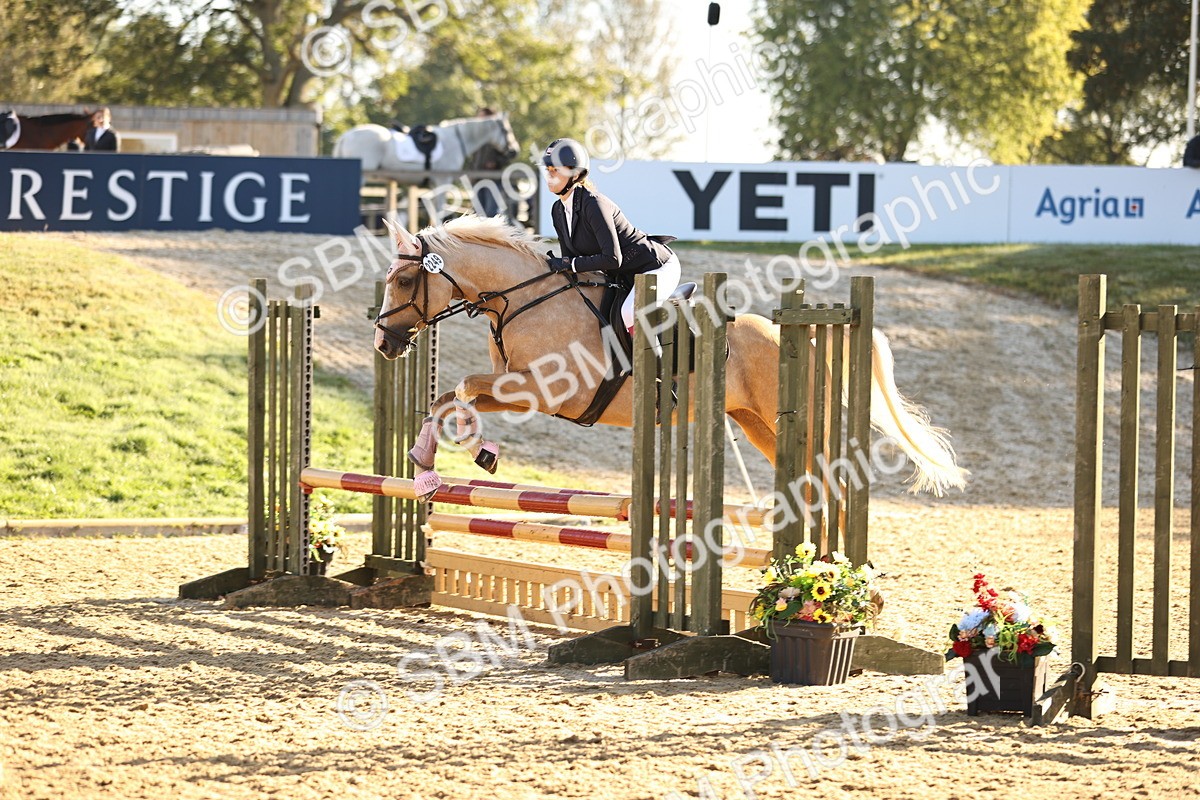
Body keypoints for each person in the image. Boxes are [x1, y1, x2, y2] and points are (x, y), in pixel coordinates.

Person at [543, 138, 680, 334]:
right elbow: (571, 261)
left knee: (629, 312)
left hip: (654, 267)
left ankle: (653, 355)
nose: (549, 175)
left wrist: (569, 264)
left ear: (576, 173)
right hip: (623, 276)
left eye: (555, 170)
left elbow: (612, 258)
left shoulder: (594, 204)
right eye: (548, 169)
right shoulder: (557, 210)